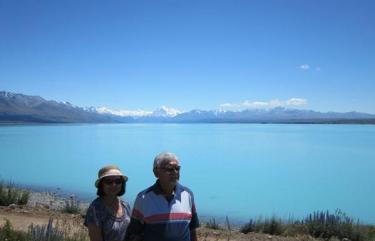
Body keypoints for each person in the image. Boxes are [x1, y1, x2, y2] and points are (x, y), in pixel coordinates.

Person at [125, 152, 199, 241]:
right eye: (169, 169)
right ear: (156, 172)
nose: (175, 172)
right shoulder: (143, 198)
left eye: (177, 168)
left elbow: (192, 229)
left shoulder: (187, 194)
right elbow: (135, 232)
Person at [85, 165, 131, 241]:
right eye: (108, 182)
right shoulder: (95, 209)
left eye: (118, 181)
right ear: (101, 185)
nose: (114, 185)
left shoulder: (125, 205)